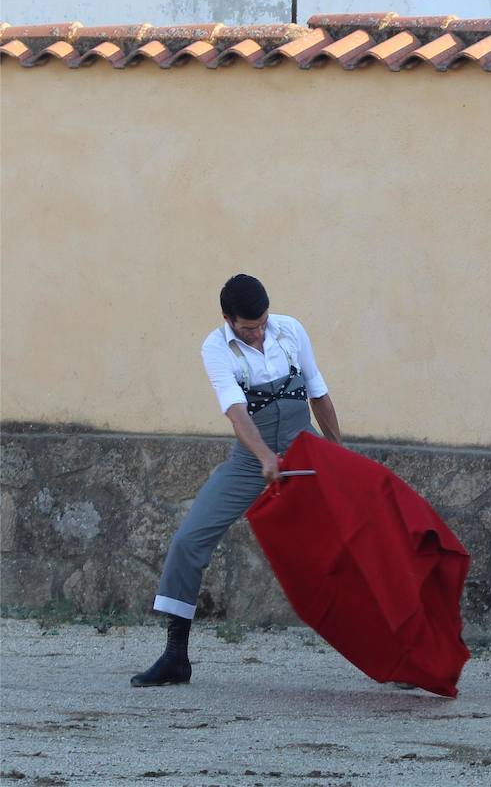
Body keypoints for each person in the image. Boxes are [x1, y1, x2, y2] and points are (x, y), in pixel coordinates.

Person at [132, 274, 341, 687]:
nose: (259, 332)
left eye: (262, 322)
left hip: (304, 452)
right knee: (188, 542)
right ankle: (176, 656)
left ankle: (403, 647)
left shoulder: (291, 330)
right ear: (228, 319)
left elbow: (317, 393)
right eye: (249, 327)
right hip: (250, 461)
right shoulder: (215, 347)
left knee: (355, 537)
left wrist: (339, 454)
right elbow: (236, 411)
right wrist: (264, 455)